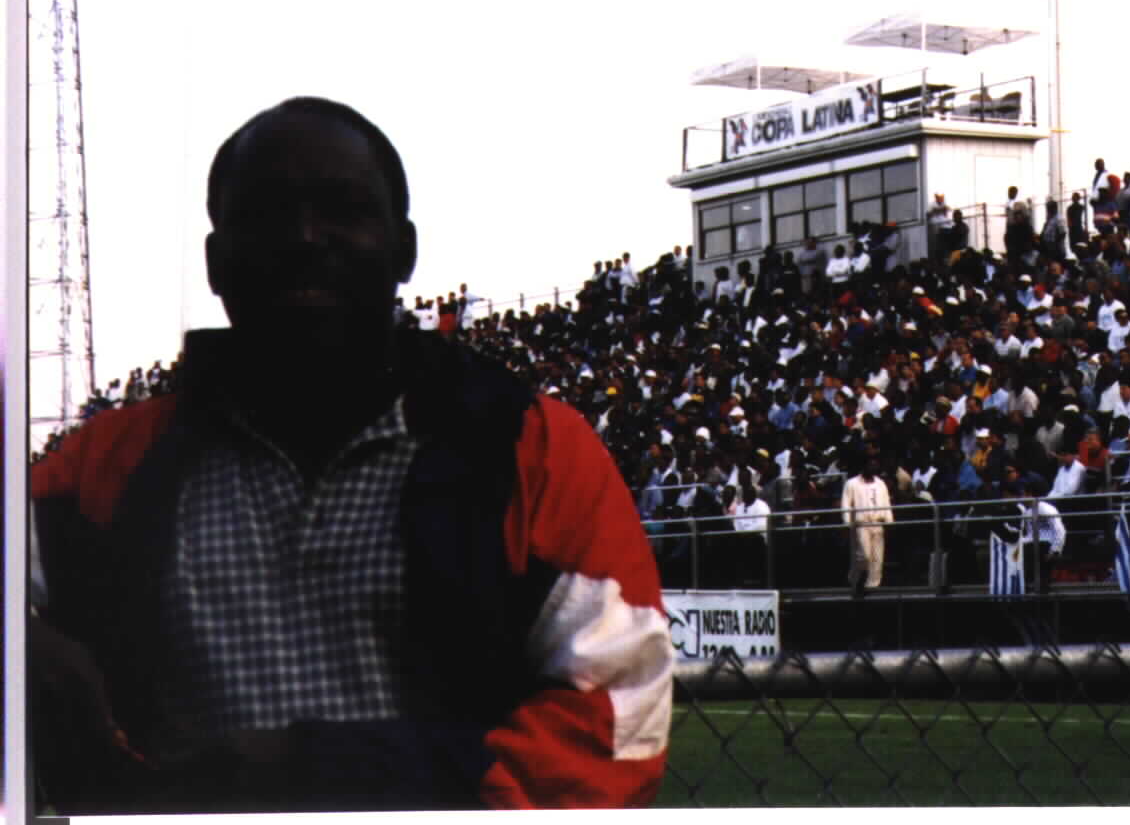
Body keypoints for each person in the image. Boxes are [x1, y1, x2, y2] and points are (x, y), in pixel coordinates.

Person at [28, 97, 673, 812]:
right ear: (216, 262)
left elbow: (620, 708)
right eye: (268, 213)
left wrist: (326, 774)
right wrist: (27, 653)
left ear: (404, 249)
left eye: (342, 208)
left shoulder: (532, 448)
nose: (307, 237)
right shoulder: (100, 467)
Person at [841, 456, 893, 593]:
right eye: (870, 465)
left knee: (877, 557)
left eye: (875, 465)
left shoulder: (880, 483)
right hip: (861, 523)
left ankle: (872, 586)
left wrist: (889, 520)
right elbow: (846, 504)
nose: (873, 468)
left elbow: (886, 501)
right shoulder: (852, 483)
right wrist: (847, 522)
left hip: (877, 522)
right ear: (863, 466)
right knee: (864, 555)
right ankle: (854, 578)